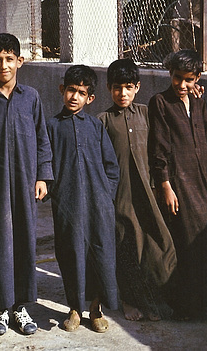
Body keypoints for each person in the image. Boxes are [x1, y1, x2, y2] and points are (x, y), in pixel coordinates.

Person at [0, 33, 53, 336]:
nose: (4, 65)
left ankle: (21, 307)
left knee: (25, 242)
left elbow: (43, 138)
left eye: (9, 59)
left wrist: (43, 175)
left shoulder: (31, 97)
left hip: (25, 182)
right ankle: (1, 308)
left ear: (20, 61)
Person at [97, 59, 177, 322]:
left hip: (149, 194)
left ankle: (155, 299)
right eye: (118, 88)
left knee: (157, 246)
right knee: (127, 247)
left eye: (129, 87)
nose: (123, 94)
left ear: (138, 87)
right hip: (121, 197)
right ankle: (128, 301)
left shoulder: (145, 113)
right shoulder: (103, 121)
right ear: (109, 88)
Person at [46, 65, 120, 333]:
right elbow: (45, 163)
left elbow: (112, 168)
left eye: (81, 93)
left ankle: (96, 308)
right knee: (71, 254)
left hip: (98, 205)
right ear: (61, 90)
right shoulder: (51, 126)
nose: (74, 97)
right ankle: (75, 308)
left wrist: (105, 196)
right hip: (68, 205)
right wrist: (54, 193)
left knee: (100, 254)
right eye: (70, 90)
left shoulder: (95, 126)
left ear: (90, 98)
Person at [148, 49, 207, 319]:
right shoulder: (161, 103)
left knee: (206, 241)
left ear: (197, 78)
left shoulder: (198, 101)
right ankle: (185, 306)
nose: (182, 85)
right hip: (179, 183)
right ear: (170, 75)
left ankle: (203, 301)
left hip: (201, 182)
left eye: (188, 79)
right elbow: (159, 149)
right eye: (177, 78)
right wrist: (165, 185)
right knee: (185, 243)